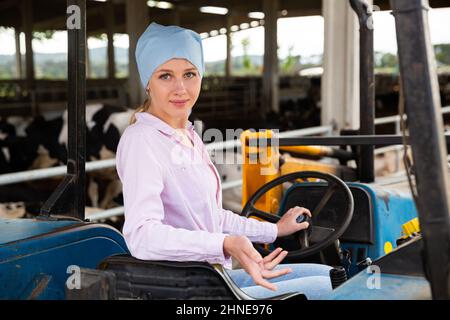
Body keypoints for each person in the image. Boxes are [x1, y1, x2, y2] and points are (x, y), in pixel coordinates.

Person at [115, 22, 332, 300]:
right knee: (333, 288)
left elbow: (211, 216)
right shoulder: (142, 141)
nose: (180, 88)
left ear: (201, 77)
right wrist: (225, 243)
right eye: (166, 76)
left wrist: (274, 230)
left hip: (208, 276)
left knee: (327, 273)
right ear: (148, 82)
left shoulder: (187, 136)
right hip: (182, 289)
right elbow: (143, 236)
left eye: (190, 74)